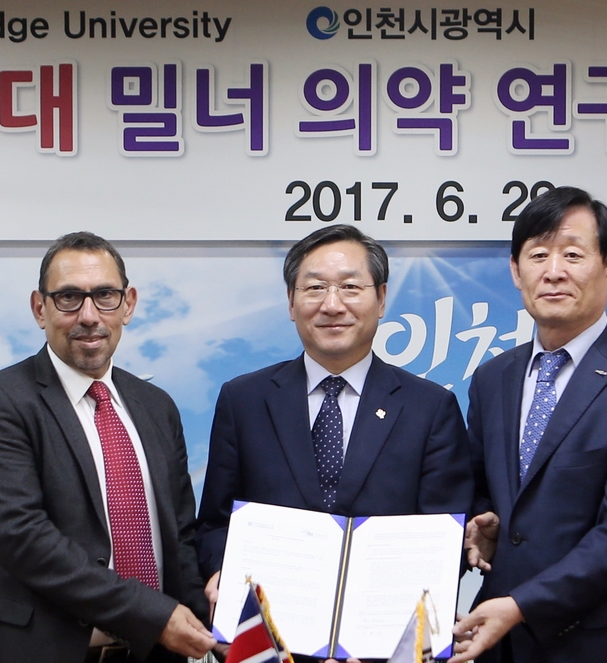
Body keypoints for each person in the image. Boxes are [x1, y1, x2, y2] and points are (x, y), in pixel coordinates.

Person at [451, 186, 607, 663]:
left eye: (572, 254)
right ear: (516, 271)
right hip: (504, 645)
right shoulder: (492, 378)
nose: (554, 271)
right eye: (538, 255)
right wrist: (485, 523)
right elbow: (484, 488)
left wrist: (522, 606)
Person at [0, 232, 214, 663]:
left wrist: (211, 626)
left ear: (128, 304)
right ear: (40, 308)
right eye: (69, 297)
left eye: (105, 296)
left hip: (153, 653)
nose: (89, 316)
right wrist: (151, 615)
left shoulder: (157, 406)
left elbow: (180, 535)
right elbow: (23, 537)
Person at [197, 225, 472, 603]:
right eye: (315, 288)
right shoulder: (244, 400)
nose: (332, 305)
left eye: (350, 287)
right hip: (268, 622)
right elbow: (216, 524)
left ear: (381, 299)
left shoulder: (430, 408)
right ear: (291, 302)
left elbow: (445, 540)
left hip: (382, 626)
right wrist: (221, 572)